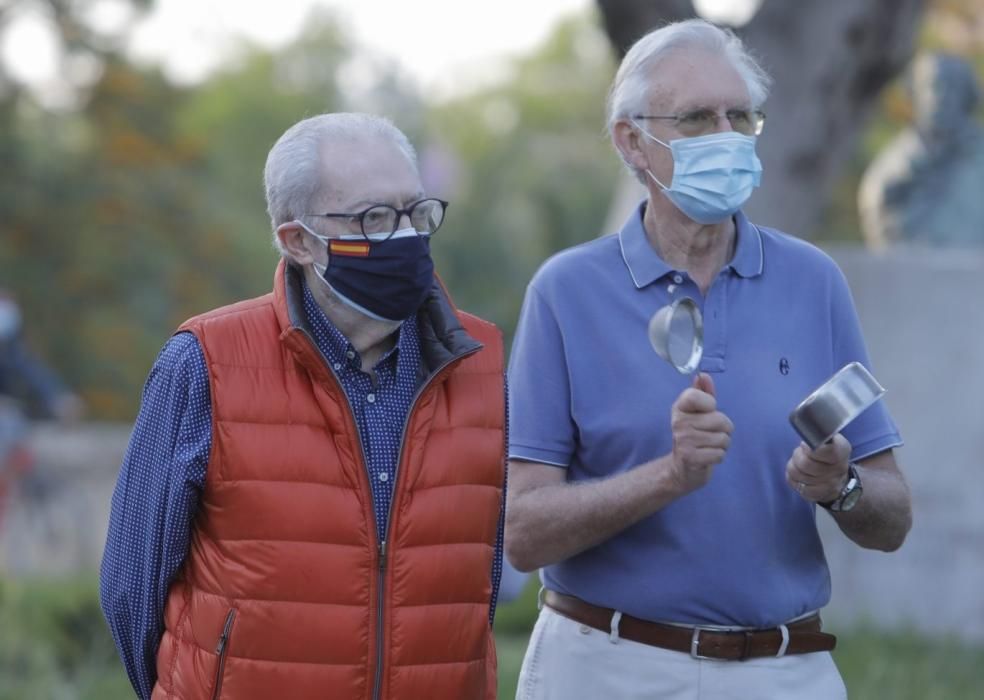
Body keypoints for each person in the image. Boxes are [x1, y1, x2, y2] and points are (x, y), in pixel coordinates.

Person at [505, 19, 912, 700]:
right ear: (632, 142)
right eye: (697, 117)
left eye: (740, 116)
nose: (725, 134)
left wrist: (840, 486)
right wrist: (669, 476)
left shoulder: (813, 281)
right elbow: (523, 535)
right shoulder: (565, 292)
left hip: (787, 669)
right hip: (605, 664)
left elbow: (893, 518)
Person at [99, 113, 507, 700]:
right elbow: (133, 584)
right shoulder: (205, 361)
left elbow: (474, 589)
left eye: (416, 213)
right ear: (298, 241)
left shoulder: (481, 361)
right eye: (373, 218)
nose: (406, 237)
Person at [859, 52, 984, 249]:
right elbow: (877, 210)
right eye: (932, 87)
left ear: (967, 95)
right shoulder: (898, 161)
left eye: (952, 88)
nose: (941, 97)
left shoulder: (979, 154)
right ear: (915, 95)